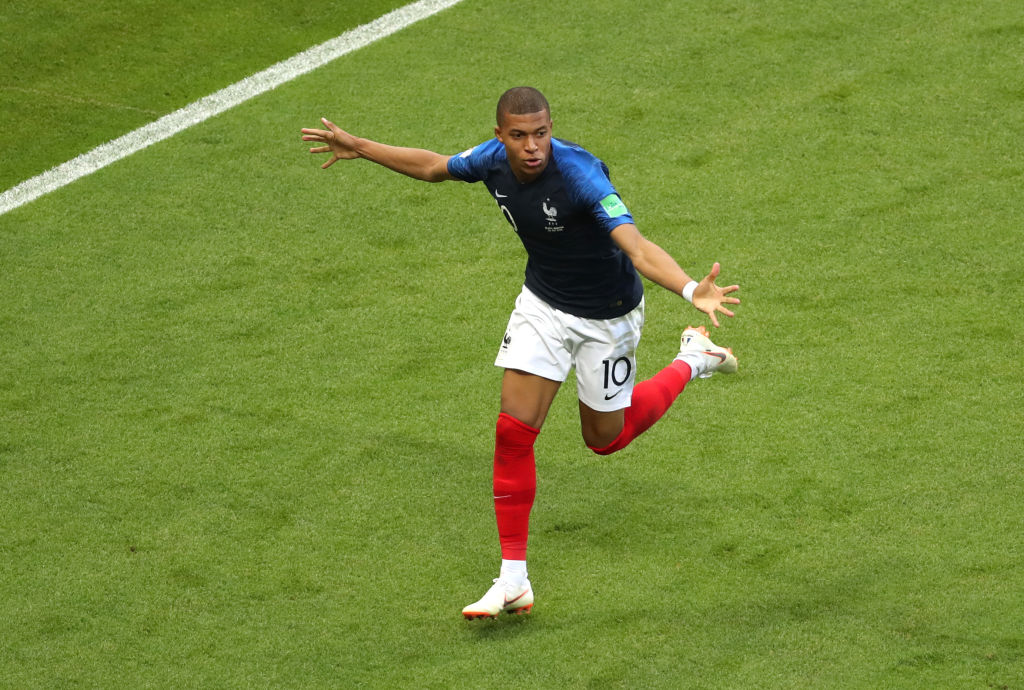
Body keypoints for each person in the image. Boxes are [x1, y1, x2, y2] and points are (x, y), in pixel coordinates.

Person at [301, 87, 740, 620]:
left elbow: (638, 246)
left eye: (541, 133)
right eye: (519, 136)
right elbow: (434, 166)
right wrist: (361, 146)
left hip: (609, 315)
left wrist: (693, 290)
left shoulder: (580, 175)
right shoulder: (490, 162)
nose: (532, 147)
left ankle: (692, 356)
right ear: (499, 137)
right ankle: (513, 579)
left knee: (605, 439)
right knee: (513, 431)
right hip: (544, 306)